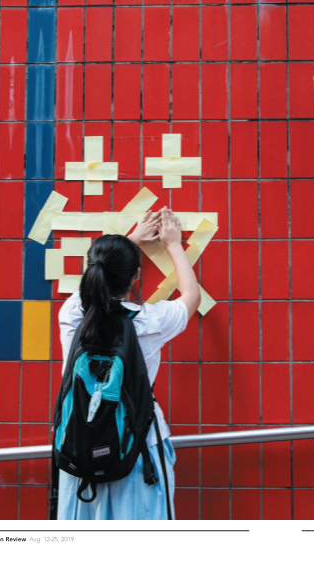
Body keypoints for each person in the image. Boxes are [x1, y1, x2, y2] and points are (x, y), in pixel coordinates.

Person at [56, 207, 201, 520]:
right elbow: (192, 296)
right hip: (138, 446)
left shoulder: (70, 316)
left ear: (92, 269)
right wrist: (174, 244)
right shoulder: (150, 321)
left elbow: (90, 284)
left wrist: (129, 241)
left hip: (80, 444)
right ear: (136, 275)